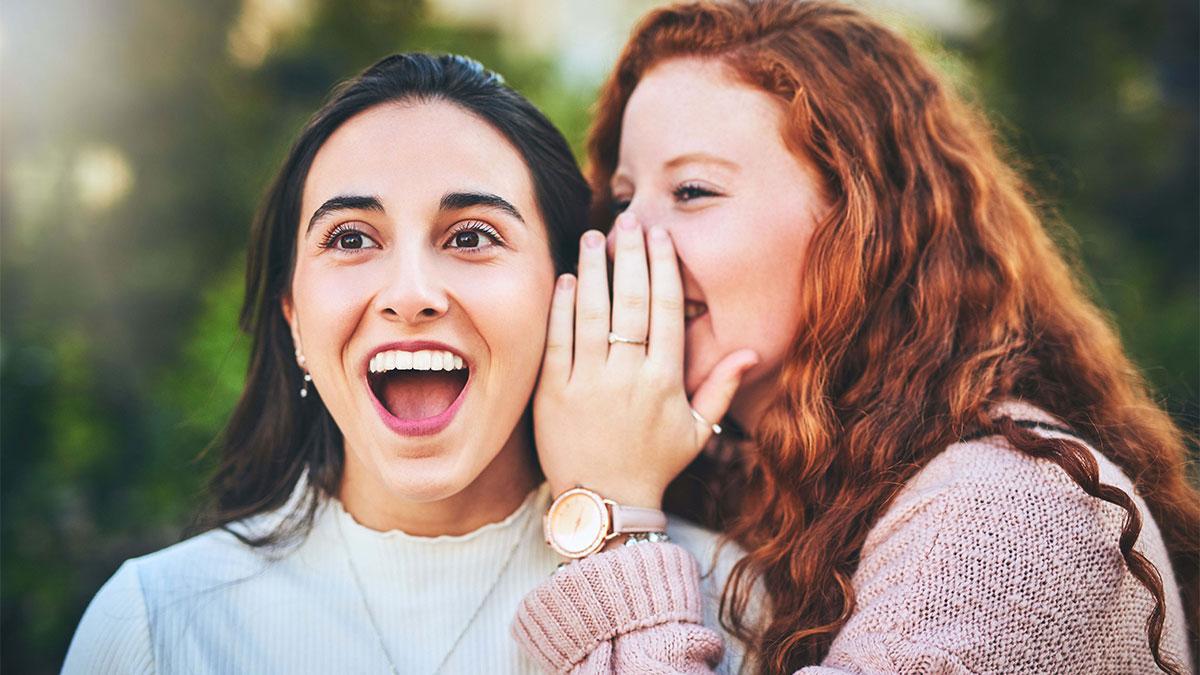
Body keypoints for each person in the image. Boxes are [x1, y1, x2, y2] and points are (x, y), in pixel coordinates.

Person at [512, 1, 1199, 673]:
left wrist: (614, 517)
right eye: (623, 198)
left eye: (692, 191)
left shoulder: (1014, 513)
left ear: (859, 227)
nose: (621, 238)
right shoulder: (742, 483)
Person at [61, 53, 744, 674]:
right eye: (351, 238)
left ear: (569, 292)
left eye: (471, 236)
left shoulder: (728, 603)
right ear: (294, 317)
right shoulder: (156, 625)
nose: (410, 293)